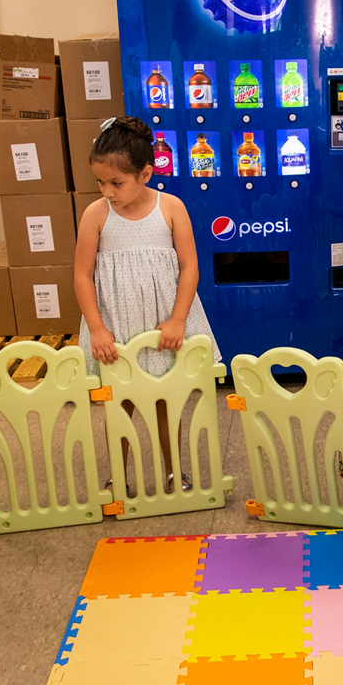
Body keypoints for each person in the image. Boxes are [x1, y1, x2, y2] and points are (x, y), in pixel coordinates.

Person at [74, 115, 221, 493]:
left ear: (146, 173)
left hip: (161, 325)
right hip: (116, 324)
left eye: (116, 182)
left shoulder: (171, 208)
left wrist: (177, 320)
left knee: (164, 402)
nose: (107, 191)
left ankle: (173, 471)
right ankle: (119, 477)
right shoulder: (95, 215)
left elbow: (190, 268)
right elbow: (82, 275)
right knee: (118, 403)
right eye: (101, 182)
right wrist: (96, 328)